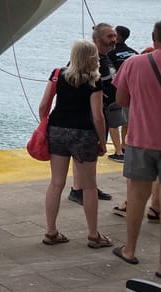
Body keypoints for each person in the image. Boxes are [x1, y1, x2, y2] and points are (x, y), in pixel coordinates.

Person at [111, 18, 161, 278]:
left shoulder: (134, 63)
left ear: (153, 37)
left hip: (140, 139)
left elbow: (121, 99)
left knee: (136, 197)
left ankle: (130, 250)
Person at [38, 40, 111, 248]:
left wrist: (44, 127)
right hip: (83, 134)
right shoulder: (94, 81)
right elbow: (98, 116)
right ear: (91, 57)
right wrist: (102, 141)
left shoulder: (57, 74)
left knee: (56, 183)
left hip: (58, 130)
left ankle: (51, 231)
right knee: (89, 187)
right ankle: (93, 235)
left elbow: (44, 106)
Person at [69, 23, 117, 201]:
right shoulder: (87, 60)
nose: (113, 39)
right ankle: (79, 188)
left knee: (90, 155)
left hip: (103, 109)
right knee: (83, 153)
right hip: (88, 114)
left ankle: (88, 186)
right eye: (109, 36)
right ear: (97, 39)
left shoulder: (106, 57)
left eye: (114, 36)